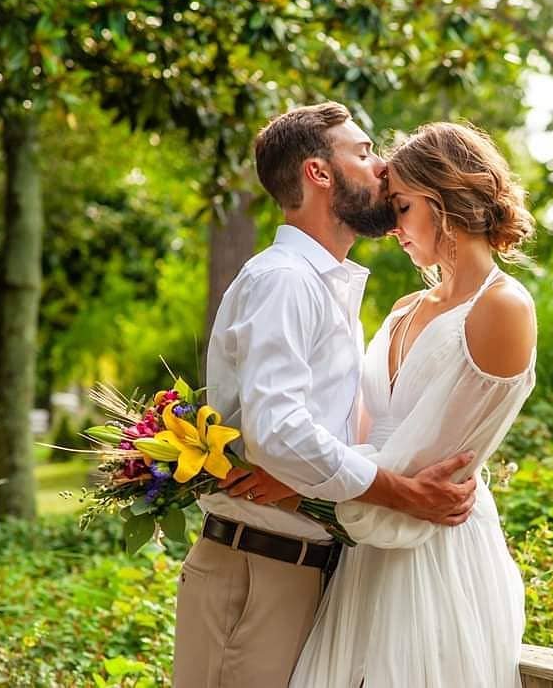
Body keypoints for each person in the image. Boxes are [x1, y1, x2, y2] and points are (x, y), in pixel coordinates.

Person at [172, 103, 478, 688]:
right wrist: (403, 493)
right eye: (363, 154)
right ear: (319, 173)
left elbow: (308, 439)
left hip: (309, 571)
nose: (382, 167)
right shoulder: (285, 281)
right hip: (256, 571)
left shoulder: (328, 287)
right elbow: (279, 431)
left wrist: (298, 477)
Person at [281, 121, 538, 687]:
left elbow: (431, 465)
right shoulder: (403, 307)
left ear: (444, 198)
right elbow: (362, 432)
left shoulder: (502, 308)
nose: (392, 227)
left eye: (400, 206)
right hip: (370, 539)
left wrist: (300, 490)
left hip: (433, 547)